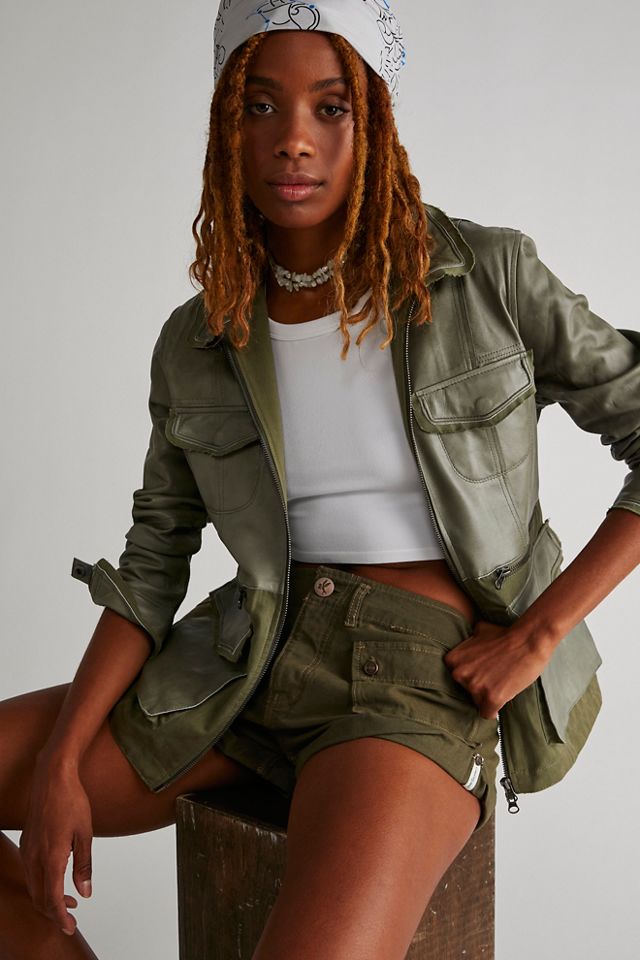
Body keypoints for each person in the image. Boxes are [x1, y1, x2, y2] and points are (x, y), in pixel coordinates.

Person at [2, 1, 640, 958]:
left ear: (372, 121)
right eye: (260, 106)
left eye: (329, 107)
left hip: (410, 682)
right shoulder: (198, 339)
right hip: (244, 659)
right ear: (227, 126)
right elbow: (152, 564)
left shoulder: (488, 277)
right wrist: (60, 761)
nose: (292, 139)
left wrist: (538, 634)